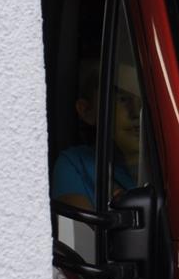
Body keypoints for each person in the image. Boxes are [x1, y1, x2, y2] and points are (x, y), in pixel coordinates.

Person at [52, 57, 142, 210]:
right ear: (87, 111)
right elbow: (79, 224)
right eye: (122, 99)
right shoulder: (77, 165)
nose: (136, 112)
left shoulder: (176, 162)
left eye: (143, 99)